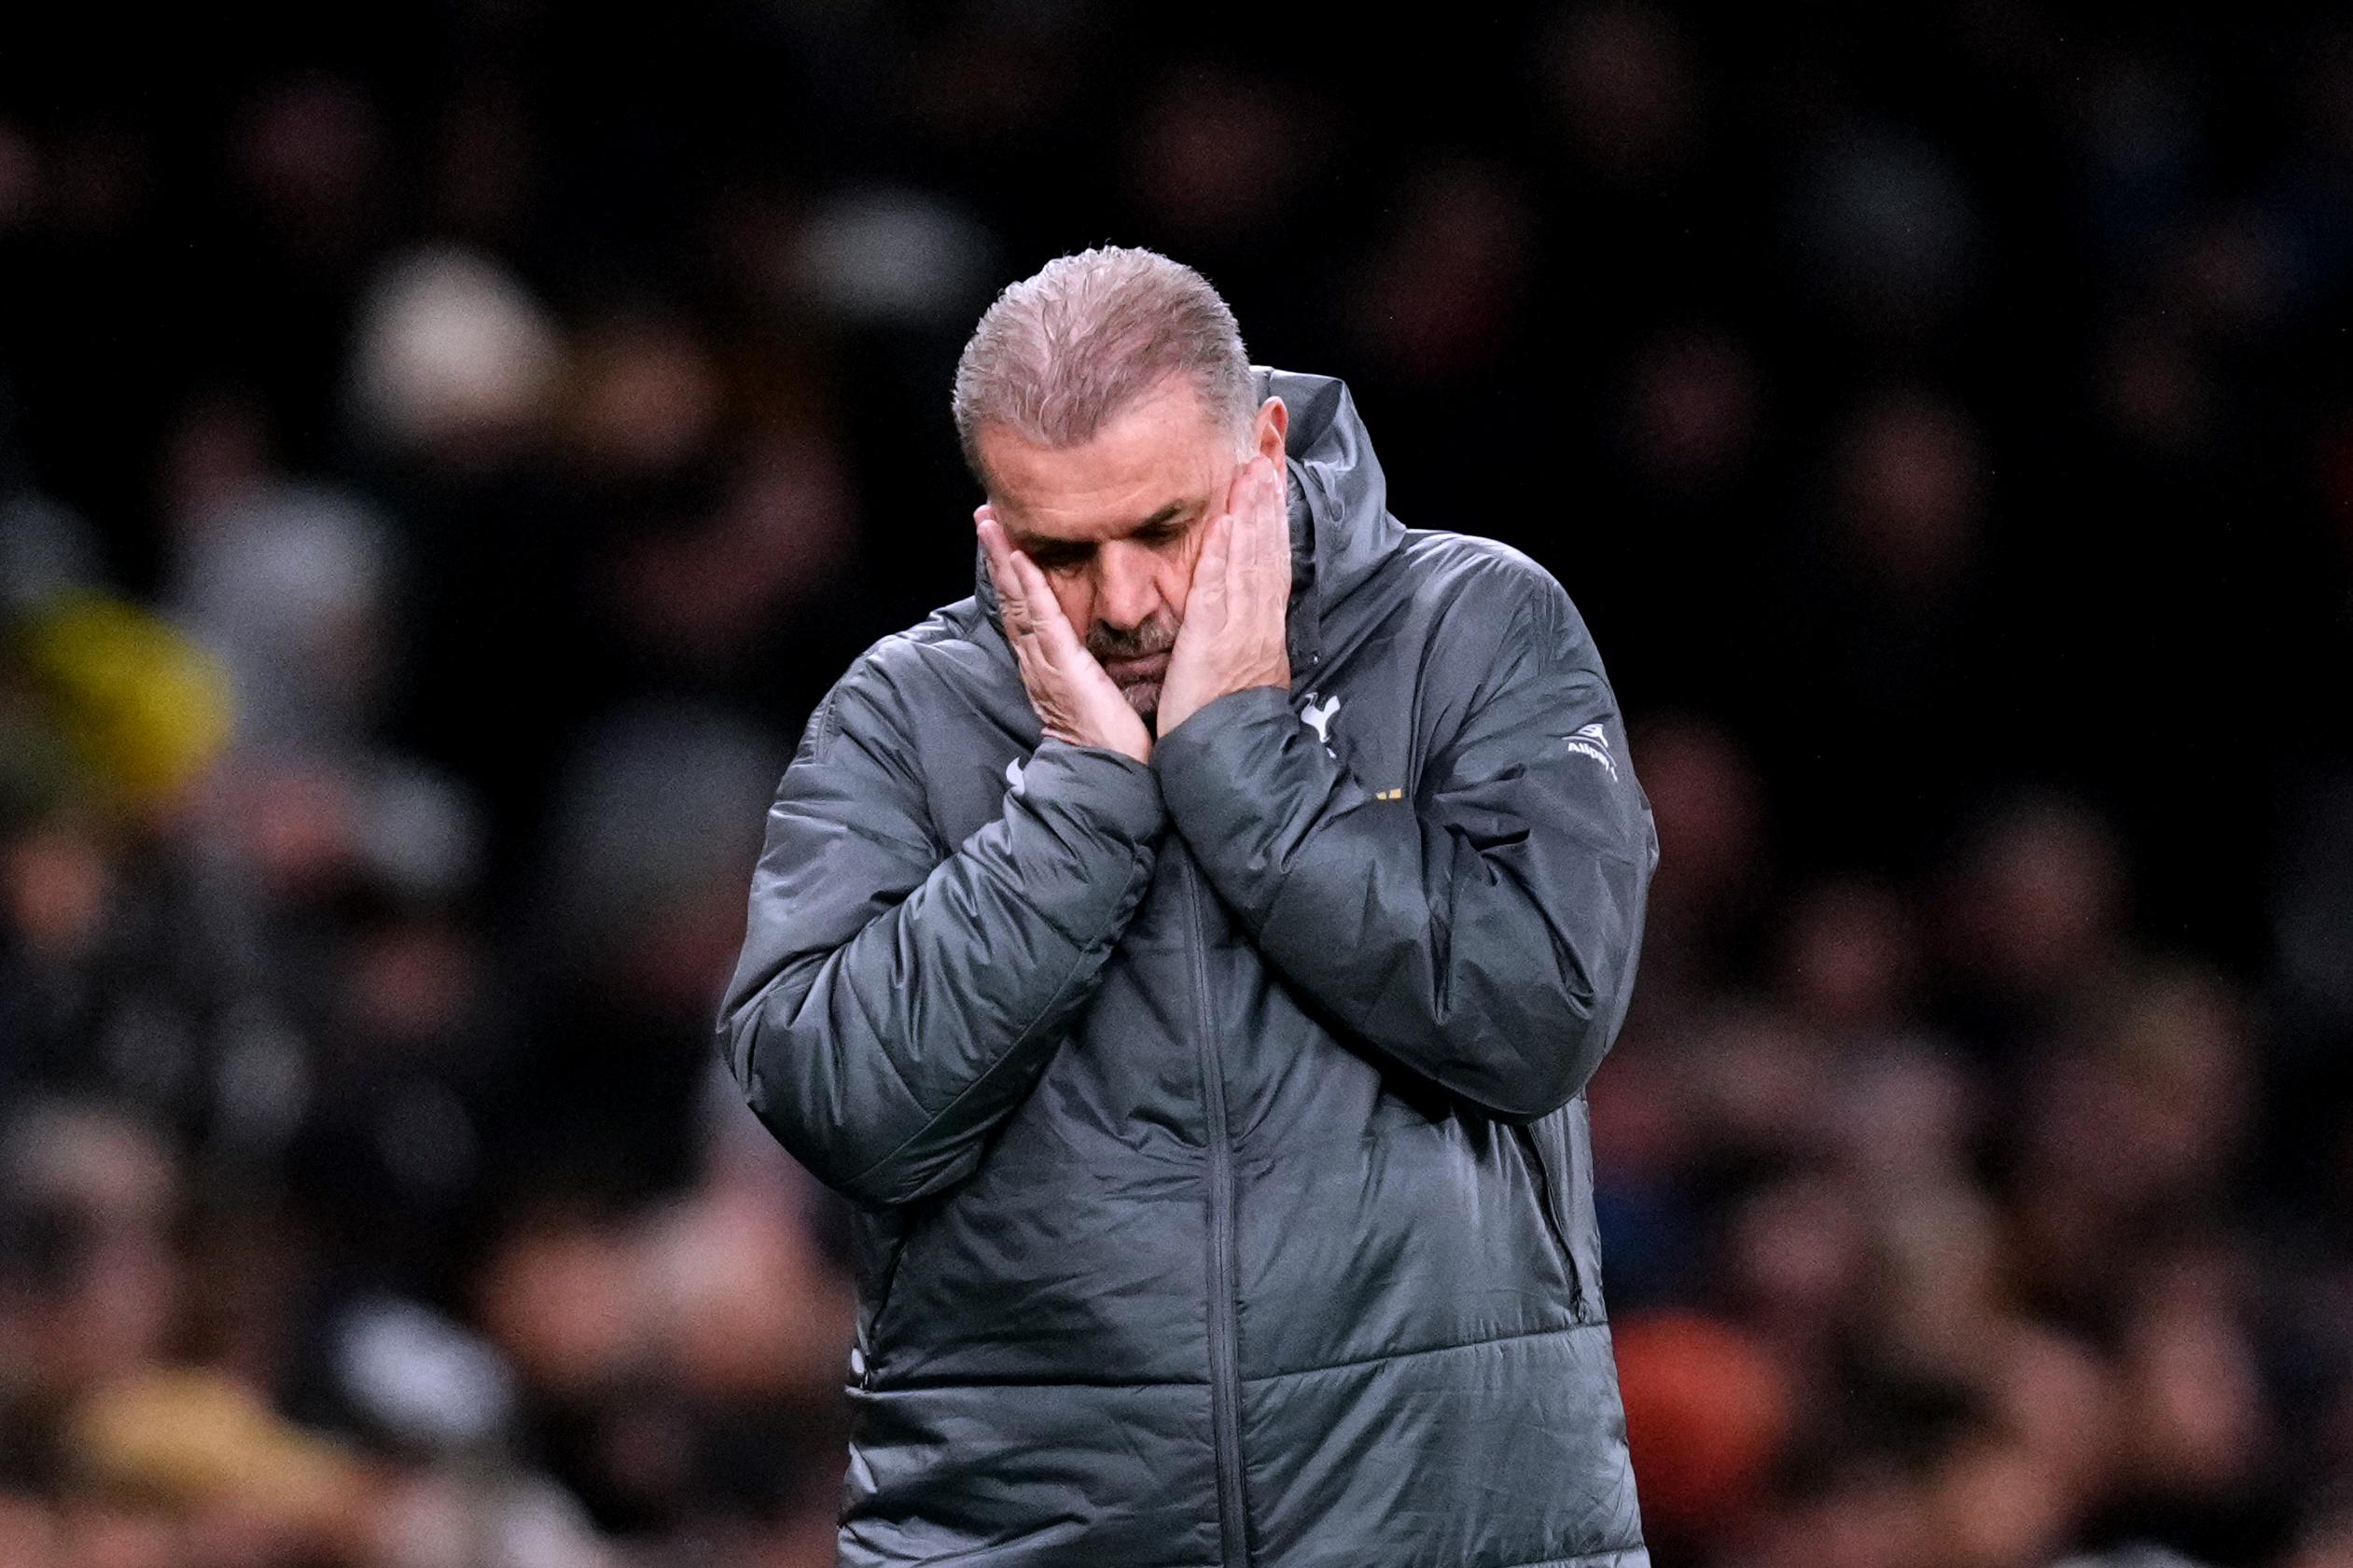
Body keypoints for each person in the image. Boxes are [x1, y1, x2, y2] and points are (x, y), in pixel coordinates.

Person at [717, 246, 1660, 1568]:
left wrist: (1241, 757)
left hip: (1453, 1532)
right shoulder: (902, 712)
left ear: (1262, 447)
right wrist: (1081, 799)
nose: (1124, 602)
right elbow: (841, 1104)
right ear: (993, 521)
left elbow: (1537, 1016)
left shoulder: (1475, 627)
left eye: (1163, 527)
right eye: (1059, 550)